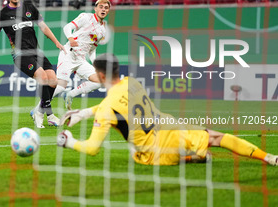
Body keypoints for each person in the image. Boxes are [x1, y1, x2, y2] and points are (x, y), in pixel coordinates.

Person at [56, 53, 278, 166]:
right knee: (218, 138)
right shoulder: (132, 82)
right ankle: (269, 157)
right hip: (168, 128)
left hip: (151, 152)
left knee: (144, 155)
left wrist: (69, 141)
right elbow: (115, 105)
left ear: (101, 76)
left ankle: (191, 158)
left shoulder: (106, 107)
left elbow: (93, 147)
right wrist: (84, 113)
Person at [0, 0, 66, 128]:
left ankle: (39, 110)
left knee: (53, 80)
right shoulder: (2, 14)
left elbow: (43, 27)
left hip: (36, 52)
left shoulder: (30, 8)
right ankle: (48, 115)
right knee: (42, 76)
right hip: (20, 54)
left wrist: (56, 42)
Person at [50, 0, 111, 110]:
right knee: (61, 86)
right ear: (95, 8)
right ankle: (38, 108)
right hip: (68, 54)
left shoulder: (102, 30)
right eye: (101, 7)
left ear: (108, 11)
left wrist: (95, 64)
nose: (103, 9)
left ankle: (70, 95)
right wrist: (70, 38)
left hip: (81, 60)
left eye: (106, 8)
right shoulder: (86, 17)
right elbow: (67, 27)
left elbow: (92, 49)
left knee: (100, 80)